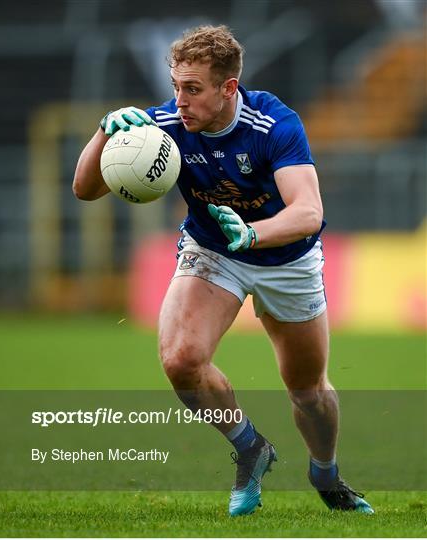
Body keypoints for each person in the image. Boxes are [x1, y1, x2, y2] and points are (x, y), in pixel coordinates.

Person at [73, 25, 373, 517]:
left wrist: (253, 234)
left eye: (193, 89)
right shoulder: (163, 124)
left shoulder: (274, 124)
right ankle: (250, 446)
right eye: (175, 87)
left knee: (309, 390)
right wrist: (105, 130)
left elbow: (309, 212)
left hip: (286, 258)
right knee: (180, 359)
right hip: (214, 251)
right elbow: (85, 190)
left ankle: (326, 473)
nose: (179, 101)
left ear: (228, 87)